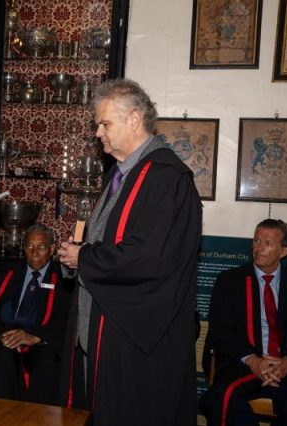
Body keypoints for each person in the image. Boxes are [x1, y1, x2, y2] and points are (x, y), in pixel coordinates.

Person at [57, 78, 202, 425]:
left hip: (134, 341)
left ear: (134, 120)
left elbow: (150, 258)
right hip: (100, 332)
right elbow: (108, 243)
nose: (97, 133)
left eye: (104, 123)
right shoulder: (121, 175)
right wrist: (76, 255)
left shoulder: (167, 178)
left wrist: (84, 258)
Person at [200, 219, 287, 426]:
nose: (258, 248)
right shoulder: (229, 282)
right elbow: (220, 330)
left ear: (283, 251)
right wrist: (253, 360)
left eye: (267, 243)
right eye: (256, 241)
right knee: (225, 400)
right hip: (243, 365)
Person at [0, 223, 73, 405]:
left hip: (41, 343)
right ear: (23, 248)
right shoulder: (6, 273)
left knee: (45, 365)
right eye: (29, 246)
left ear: (52, 249)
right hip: (6, 338)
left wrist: (36, 337)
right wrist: (1, 335)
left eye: (41, 246)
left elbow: (67, 318)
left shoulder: (65, 279)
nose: (34, 252)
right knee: (0, 360)